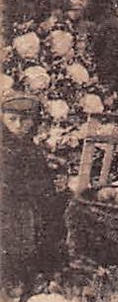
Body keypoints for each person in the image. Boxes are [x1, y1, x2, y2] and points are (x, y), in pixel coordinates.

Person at [0, 96, 67, 289]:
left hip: (30, 209)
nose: (19, 125)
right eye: (12, 119)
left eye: (25, 119)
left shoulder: (32, 150)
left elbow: (42, 182)